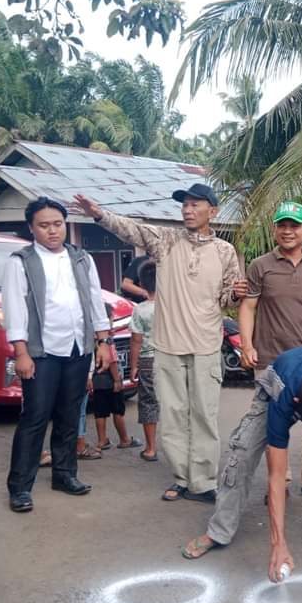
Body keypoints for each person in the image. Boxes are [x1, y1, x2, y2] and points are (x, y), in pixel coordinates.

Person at [73, 184, 243, 503]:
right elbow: (132, 230)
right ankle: (181, 477)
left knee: (204, 416)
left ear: (213, 211)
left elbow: (226, 296)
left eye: (195, 205)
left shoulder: (224, 251)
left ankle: (204, 481)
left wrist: (236, 293)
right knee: (174, 416)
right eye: (185, 205)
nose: (187, 210)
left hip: (206, 344)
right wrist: (98, 214)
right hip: (168, 345)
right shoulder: (166, 241)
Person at [180, 345, 302, 581]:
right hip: (277, 383)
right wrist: (279, 545)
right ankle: (218, 531)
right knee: (241, 454)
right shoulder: (282, 400)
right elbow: (276, 477)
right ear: (297, 405)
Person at [3, 197, 114, 513]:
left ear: (65, 225)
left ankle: (65, 475)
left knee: (69, 415)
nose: (52, 231)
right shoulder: (20, 261)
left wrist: (103, 341)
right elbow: (14, 308)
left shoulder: (81, 258)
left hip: (78, 348)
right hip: (41, 352)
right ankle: (20, 487)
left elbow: (95, 301)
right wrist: (21, 352)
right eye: (44, 225)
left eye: (57, 224)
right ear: (31, 228)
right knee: (35, 417)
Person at [239, 201, 302, 501]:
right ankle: (281, 482)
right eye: (282, 225)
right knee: (274, 424)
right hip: (270, 360)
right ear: (274, 230)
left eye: (294, 225)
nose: (288, 231)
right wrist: (247, 345)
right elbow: (248, 307)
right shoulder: (260, 266)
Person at [129, 261, 159, 461]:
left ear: (141, 283)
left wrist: (133, 366)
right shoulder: (173, 307)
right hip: (172, 358)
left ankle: (151, 448)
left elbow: (136, 341)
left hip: (148, 361)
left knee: (149, 403)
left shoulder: (140, 310)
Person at [90, 339, 140, 452]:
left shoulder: (92, 340)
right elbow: (112, 360)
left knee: (100, 413)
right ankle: (124, 439)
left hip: (97, 381)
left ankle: (102, 440)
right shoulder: (106, 341)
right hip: (111, 381)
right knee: (118, 411)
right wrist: (117, 380)